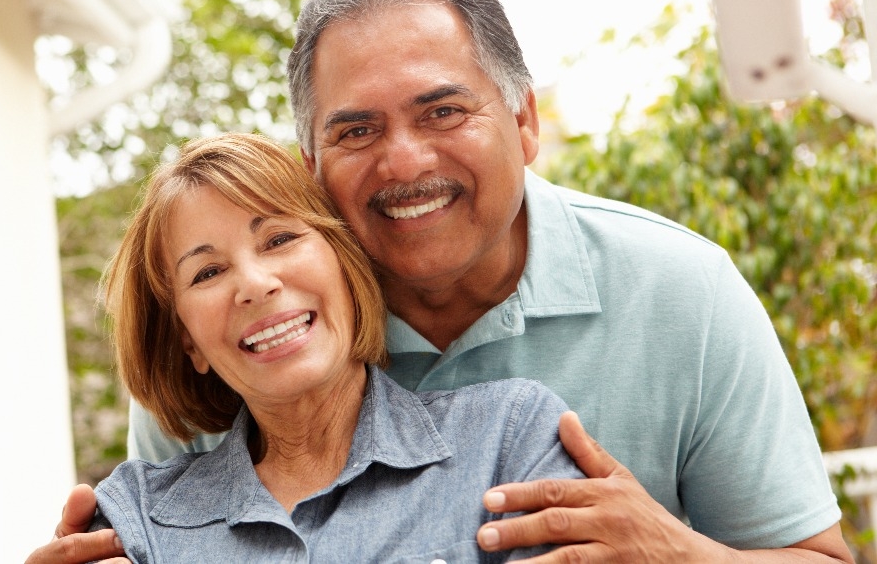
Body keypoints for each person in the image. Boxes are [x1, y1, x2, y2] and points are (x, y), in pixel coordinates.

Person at [29, 0, 852, 564]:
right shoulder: (255, 338)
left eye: (443, 111)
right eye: (355, 131)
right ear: (311, 164)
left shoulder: (681, 292)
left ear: (525, 122)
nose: (405, 162)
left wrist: (679, 554)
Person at [77, 132, 583, 562]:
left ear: (343, 263)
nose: (255, 283)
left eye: (278, 239)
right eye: (207, 272)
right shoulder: (133, 517)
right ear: (189, 342)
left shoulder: (511, 439)